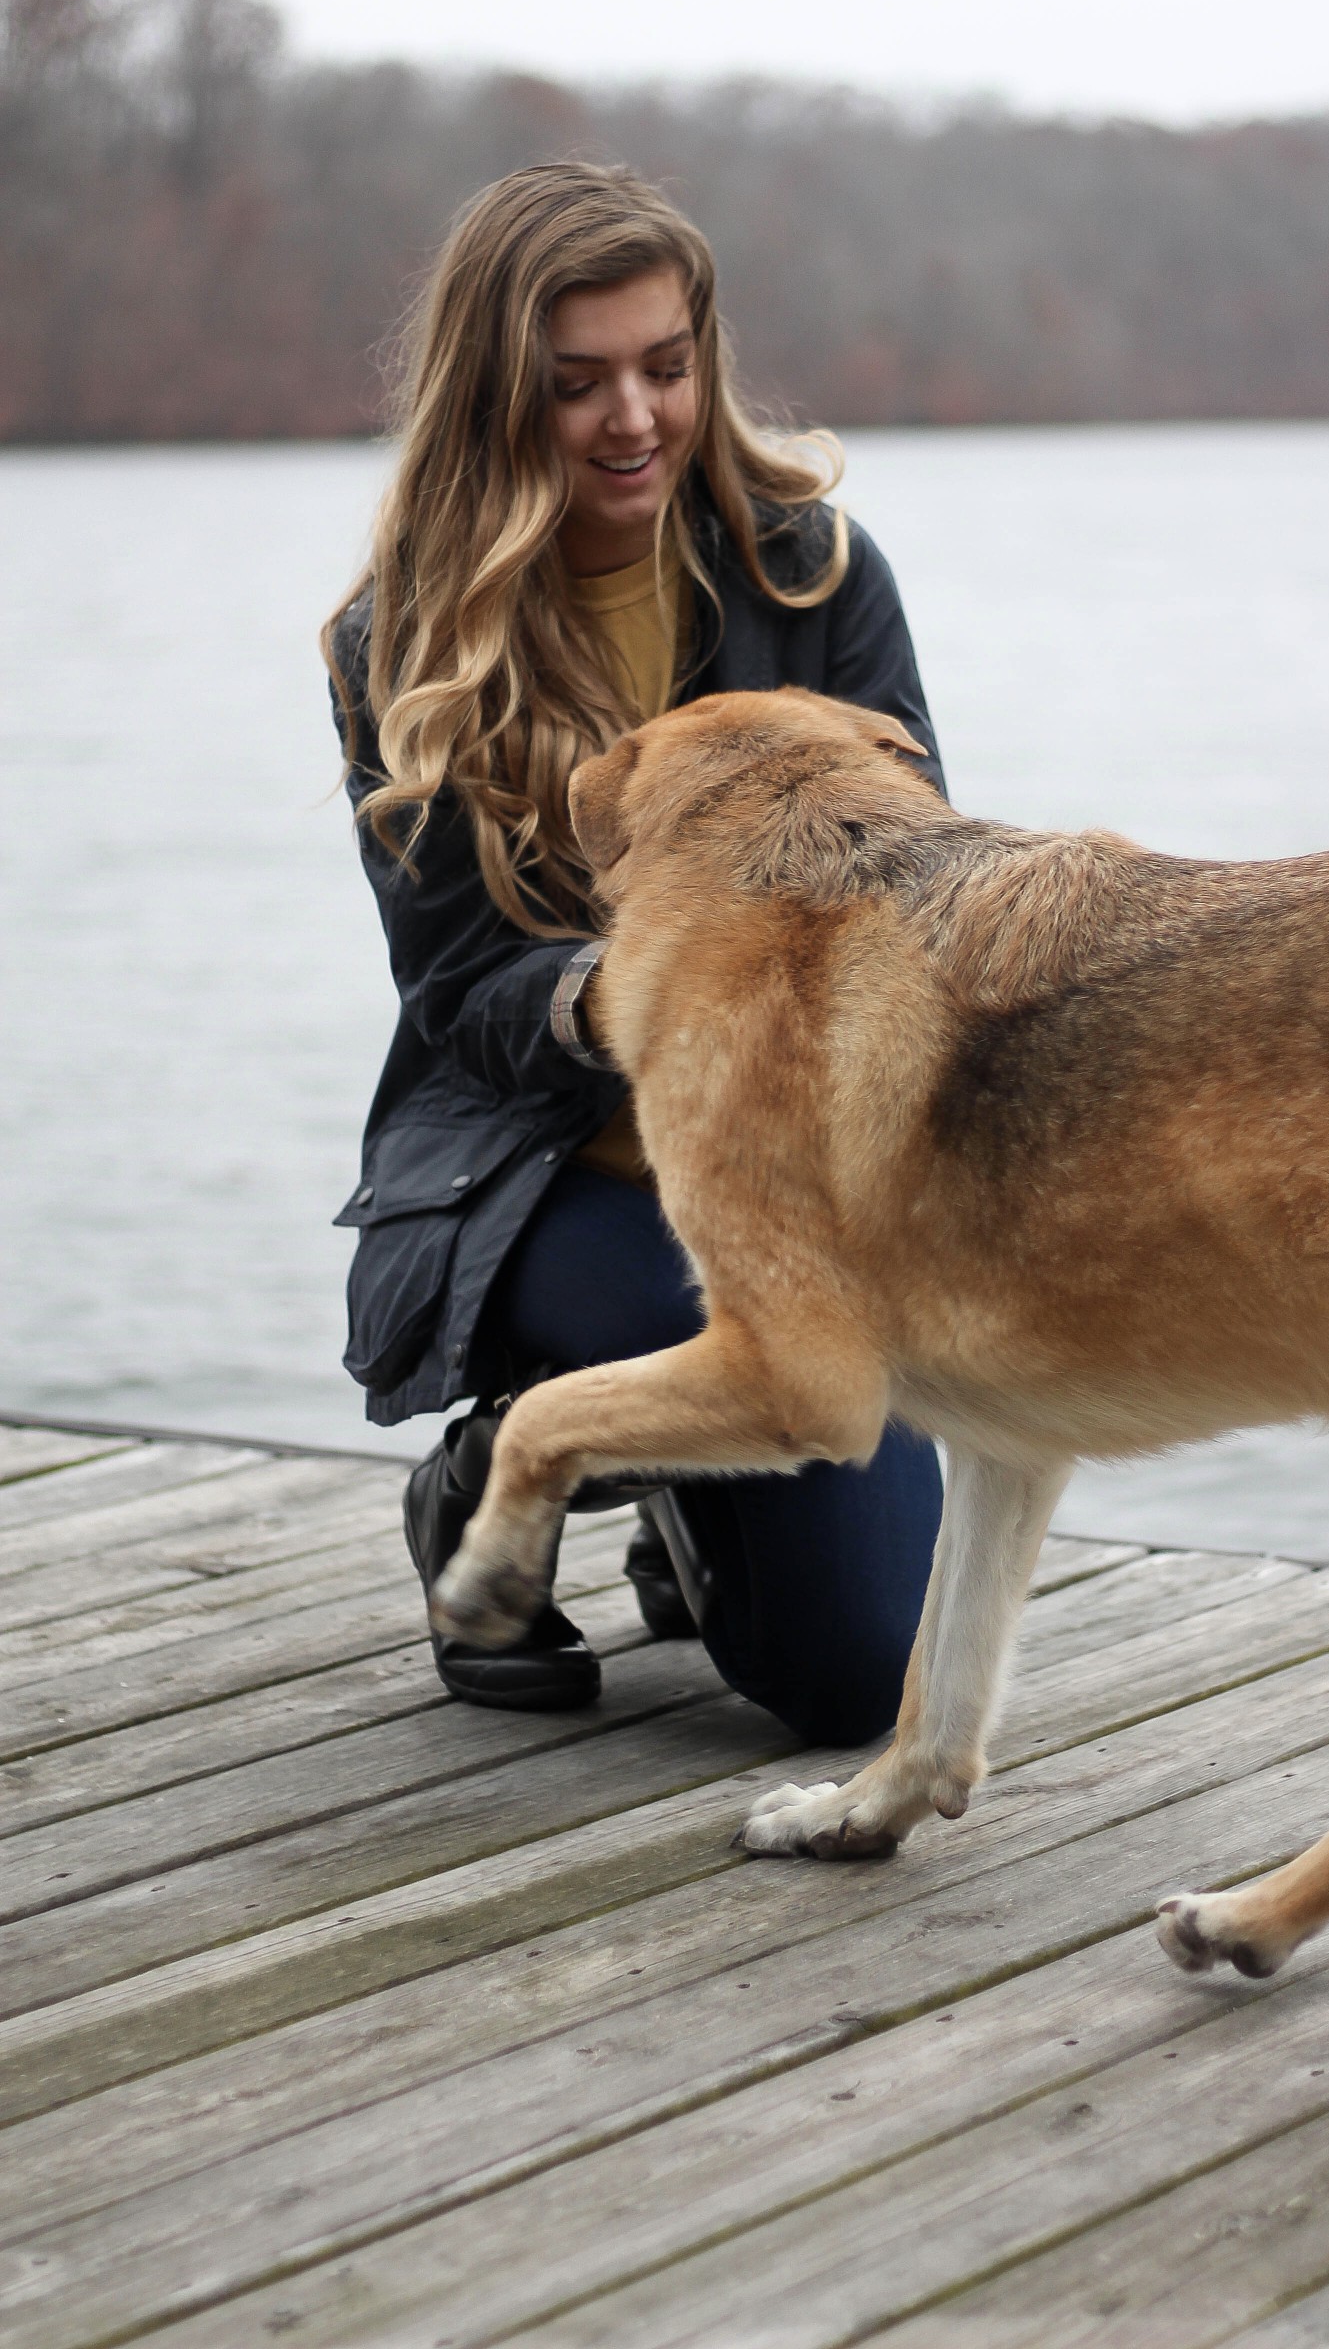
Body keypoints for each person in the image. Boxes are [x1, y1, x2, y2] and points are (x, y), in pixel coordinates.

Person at [323, 161, 944, 1745]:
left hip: (798, 1168)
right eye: (575, 382)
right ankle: (499, 1471)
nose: (634, 419)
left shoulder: (811, 568)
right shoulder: (396, 639)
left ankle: (693, 1488)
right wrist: (649, 992)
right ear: (490, 392)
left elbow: (922, 875)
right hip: (549, 1172)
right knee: (750, 1414)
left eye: (665, 367)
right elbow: (463, 1000)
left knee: (858, 1682)